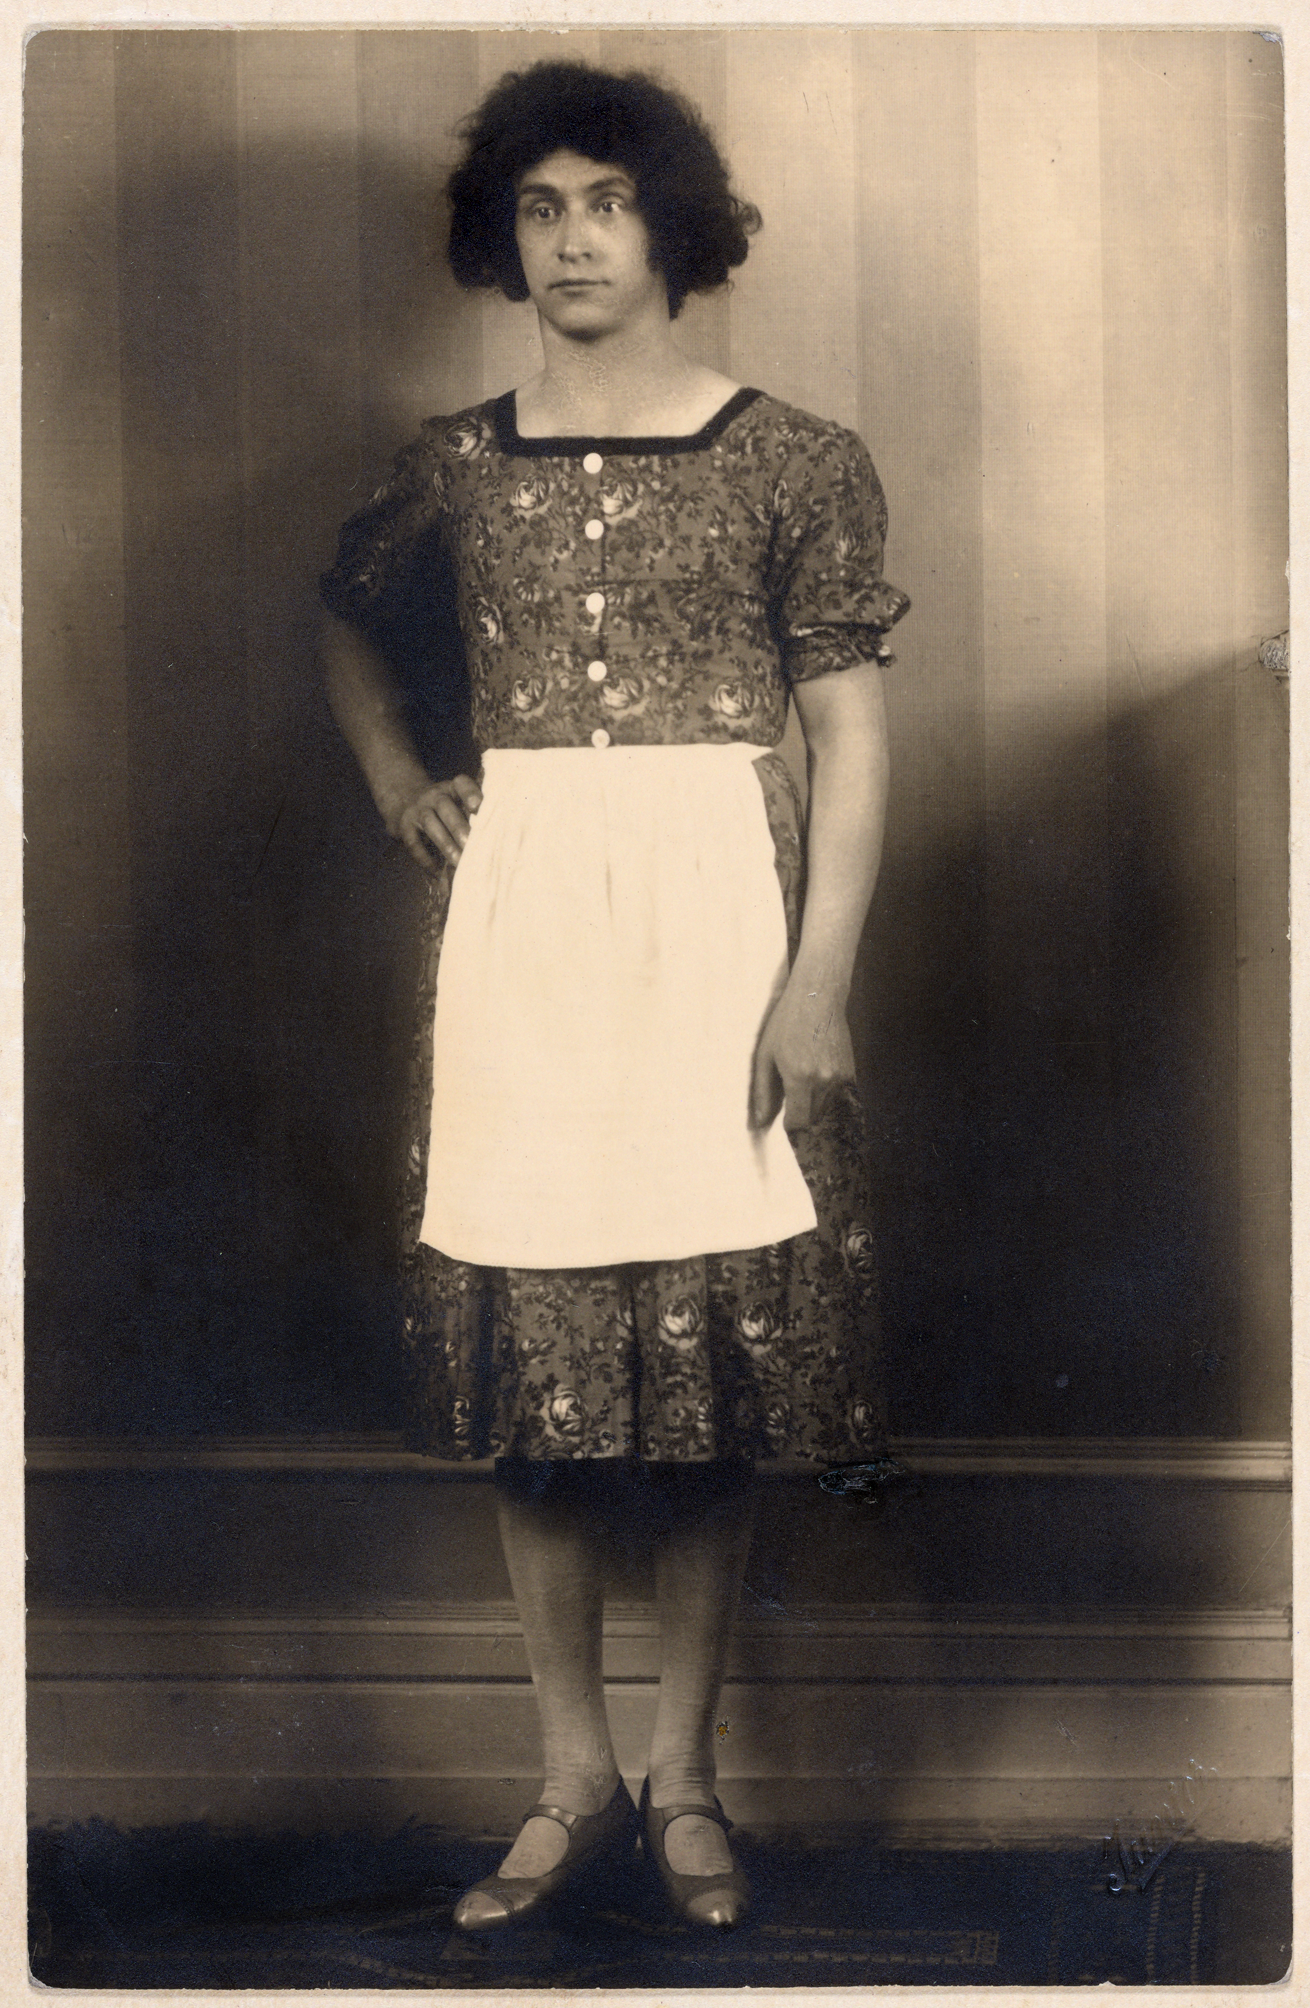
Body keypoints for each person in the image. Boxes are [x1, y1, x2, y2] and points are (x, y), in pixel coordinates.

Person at [319, 59, 908, 1934]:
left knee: (707, 1378)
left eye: (611, 204)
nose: (575, 241)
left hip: (720, 925)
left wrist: (815, 981)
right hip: (525, 938)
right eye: (544, 207)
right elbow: (349, 616)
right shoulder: (450, 463)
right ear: (506, 230)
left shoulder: (793, 456)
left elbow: (848, 728)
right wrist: (406, 781)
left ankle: (688, 1782)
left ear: (676, 227)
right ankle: (566, 1778)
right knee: (542, 1372)